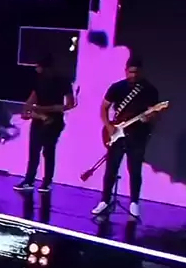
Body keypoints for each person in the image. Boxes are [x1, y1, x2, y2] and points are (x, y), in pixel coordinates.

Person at [91, 57, 159, 219]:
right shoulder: (117, 87)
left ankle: (134, 203)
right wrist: (109, 126)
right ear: (126, 70)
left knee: (135, 170)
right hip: (117, 134)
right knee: (111, 169)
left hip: (138, 135)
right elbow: (104, 107)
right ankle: (104, 201)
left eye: (136, 72)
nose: (133, 75)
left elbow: (154, 113)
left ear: (141, 72)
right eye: (130, 72)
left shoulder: (149, 89)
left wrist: (149, 118)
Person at [15, 54, 75, 193]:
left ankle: (47, 182)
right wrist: (29, 109)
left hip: (54, 121)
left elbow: (69, 104)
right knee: (33, 151)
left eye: (39, 67)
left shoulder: (63, 82)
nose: (37, 69)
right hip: (39, 120)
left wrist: (47, 109)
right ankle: (29, 180)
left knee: (48, 151)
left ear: (47, 68)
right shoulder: (38, 81)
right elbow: (32, 99)